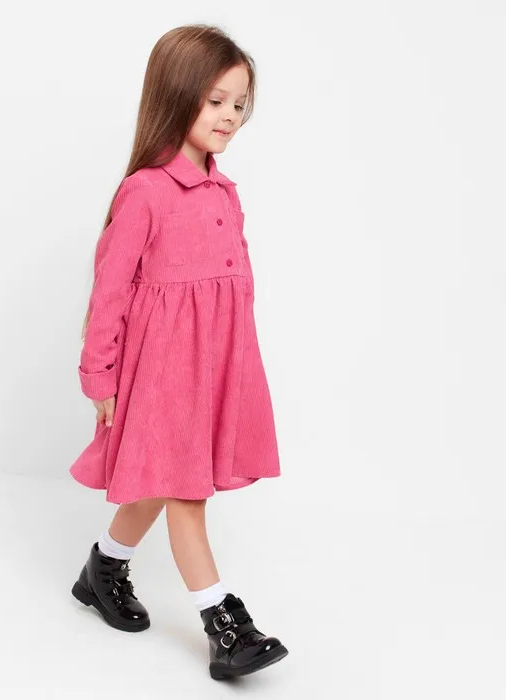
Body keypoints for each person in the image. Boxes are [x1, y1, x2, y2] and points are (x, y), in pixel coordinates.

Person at [68, 24, 288, 680]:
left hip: (211, 372)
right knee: (185, 492)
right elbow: (109, 291)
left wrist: (236, 373)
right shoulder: (146, 191)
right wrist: (100, 377)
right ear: (177, 94)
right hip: (160, 373)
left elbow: (229, 299)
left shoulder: (224, 193)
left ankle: (103, 569)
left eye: (239, 104)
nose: (229, 116)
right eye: (215, 100)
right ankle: (226, 626)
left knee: (159, 482)